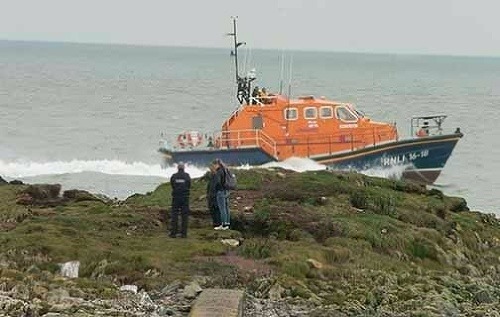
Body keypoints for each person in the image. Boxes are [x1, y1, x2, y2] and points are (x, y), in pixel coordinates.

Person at [169, 162, 191, 238]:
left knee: (174, 215)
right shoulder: (187, 176)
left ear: (177, 168)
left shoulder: (174, 176)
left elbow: (172, 184)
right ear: (184, 168)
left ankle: (173, 233)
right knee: (184, 216)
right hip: (185, 198)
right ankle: (184, 234)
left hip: (176, 197)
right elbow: (189, 185)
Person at [213, 159, 231, 230]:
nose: (213, 167)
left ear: (216, 164)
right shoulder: (225, 169)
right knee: (226, 208)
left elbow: (218, 182)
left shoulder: (219, 171)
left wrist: (215, 189)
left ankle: (223, 225)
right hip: (226, 191)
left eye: (214, 165)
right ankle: (227, 224)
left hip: (220, 191)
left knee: (222, 208)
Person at [206, 162, 221, 229]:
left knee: (216, 210)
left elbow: (216, 186)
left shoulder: (217, 176)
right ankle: (215, 224)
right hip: (211, 196)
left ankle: (218, 224)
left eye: (212, 168)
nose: (211, 170)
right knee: (212, 210)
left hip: (215, 196)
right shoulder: (212, 176)